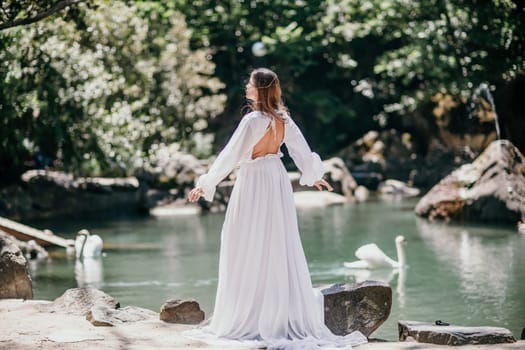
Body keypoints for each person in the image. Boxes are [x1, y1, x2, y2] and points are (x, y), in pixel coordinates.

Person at [187, 68, 367, 349]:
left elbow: (230, 155)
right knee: (277, 242)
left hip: (253, 181)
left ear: (257, 89)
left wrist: (206, 183)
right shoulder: (284, 120)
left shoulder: (251, 121)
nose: (246, 87)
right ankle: (275, 311)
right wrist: (313, 175)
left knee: (244, 241)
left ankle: (249, 314)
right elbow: (301, 152)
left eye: (249, 83)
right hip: (276, 178)